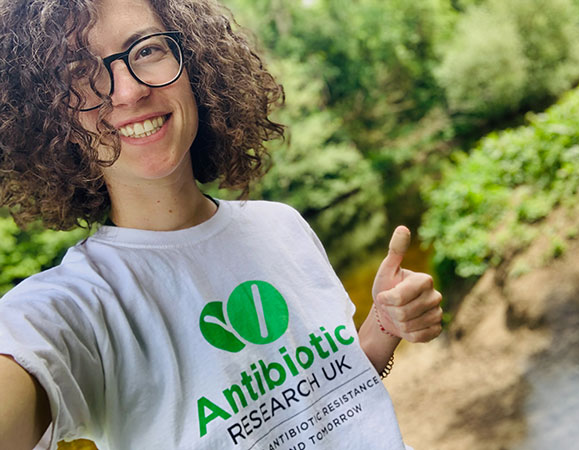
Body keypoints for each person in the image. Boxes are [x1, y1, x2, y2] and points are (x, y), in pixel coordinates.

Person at [0, 0, 443, 448]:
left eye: (147, 51)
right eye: (80, 71)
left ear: (192, 62)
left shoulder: (281, 226)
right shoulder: (74, 308)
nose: (128, 91)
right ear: (49, 114)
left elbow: (323, 399)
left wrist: (384, 328)